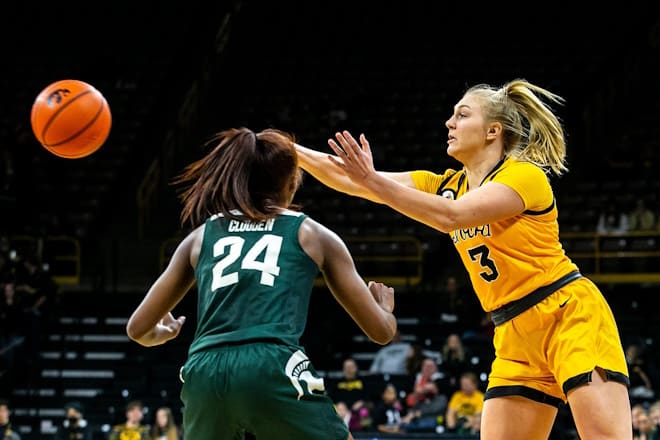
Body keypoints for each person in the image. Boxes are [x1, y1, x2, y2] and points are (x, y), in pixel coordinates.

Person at [295, 78, 632, 439]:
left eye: (462, 114)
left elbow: (451, 216)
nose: (449, 123)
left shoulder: (524, 175)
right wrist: (290, 150)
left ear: (492, 131)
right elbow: (352, 181)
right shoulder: (446, 185)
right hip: (513, 331)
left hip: (567, 314)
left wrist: (372, 180)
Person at [125, 127, 397, 440]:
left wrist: (161, 334)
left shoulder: (202, 234)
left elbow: (137, 329)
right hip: (270, 364)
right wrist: (384, 309)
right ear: (292, 181)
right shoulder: (311, 233)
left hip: (204, 370)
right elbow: (381, 332)